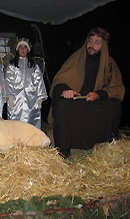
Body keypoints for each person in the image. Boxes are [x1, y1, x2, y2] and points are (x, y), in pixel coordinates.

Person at [49, 27, 125, 157]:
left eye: (97, 42)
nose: (91, 45)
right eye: (90, 41)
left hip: (96, 101)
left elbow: (117, 88)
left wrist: (99, 94)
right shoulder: (76, 58)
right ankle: (63, 150)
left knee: (114, 106)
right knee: (62, 106)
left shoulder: (110, 64)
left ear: (104, 46)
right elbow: (59, 79)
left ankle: (104, 146)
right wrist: (65, 90)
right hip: (76, 101)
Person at [5, 38, 48, 129]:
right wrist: (10, 97)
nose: (23, 49)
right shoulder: (12, 65)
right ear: (17, 49)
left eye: (25, 47)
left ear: (28, 50)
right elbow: (8, 81)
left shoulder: (33, 65)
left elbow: (39, 81)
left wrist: (40, 97)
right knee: (15, 123)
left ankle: (31, 142)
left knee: (31, 123)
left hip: (31, 101)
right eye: (21, 47)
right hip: (16, 101)